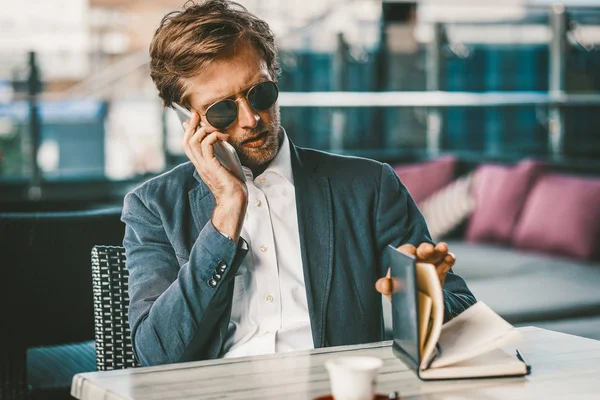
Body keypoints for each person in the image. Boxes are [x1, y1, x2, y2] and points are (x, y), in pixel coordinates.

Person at [121, 0, 476, 366]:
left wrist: (423, 296)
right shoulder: (154, 207)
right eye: (223, 110)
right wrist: (226, 215)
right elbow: (156, 355)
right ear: (186, 118)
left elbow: (464, 317)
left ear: (274, 76)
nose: (251, 119)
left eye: (260, 93)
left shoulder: (368, 187)